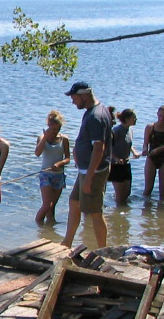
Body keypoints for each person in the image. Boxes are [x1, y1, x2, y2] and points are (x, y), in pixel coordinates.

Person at [61, 81, 113, 249]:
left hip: (94, 171)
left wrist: (90, 178)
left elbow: (99, 148)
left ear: (84, 95)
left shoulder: (96, 117)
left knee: (95, 212)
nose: (72, 101)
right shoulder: (93, 111)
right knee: (74, 202)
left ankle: (103, 250)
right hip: (86, 170)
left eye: (74, 97)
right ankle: (67, 241)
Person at [34, 110, 71, 224]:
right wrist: (45, 137)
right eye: (52, 129)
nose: (55, 131)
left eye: (57, 129)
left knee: (52, 206)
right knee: (47, 205)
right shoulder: (42, 138)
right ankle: (38, 225)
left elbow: (68, 158)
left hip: (58, 174)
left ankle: (50, 227)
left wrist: (59, 163)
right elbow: (37, 153)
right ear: (48, 126)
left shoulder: (64, 139)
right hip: (45, 174)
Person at [142, 105, 164, 201]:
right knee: (148, 189)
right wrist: (145, 150)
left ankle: (162, 212)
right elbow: (145, 143)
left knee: (163, 191)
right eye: (160, 116)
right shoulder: (150, 127)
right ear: (157, 114)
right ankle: (145, 211)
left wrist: (157, 150)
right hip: (151, 158)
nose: (162, 118)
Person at [109, 108, 140, 204]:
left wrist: (134, 152)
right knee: (120, 194)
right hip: (115, 165)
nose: (136, 119)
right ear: (126, 119)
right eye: (134, 117)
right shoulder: (116, 131)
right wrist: (115, 158)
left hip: (126, 164)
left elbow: (129, 144)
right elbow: (107, 147)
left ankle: (120, 210)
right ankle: (118, 214)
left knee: (127, 193)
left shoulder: (130, 130)